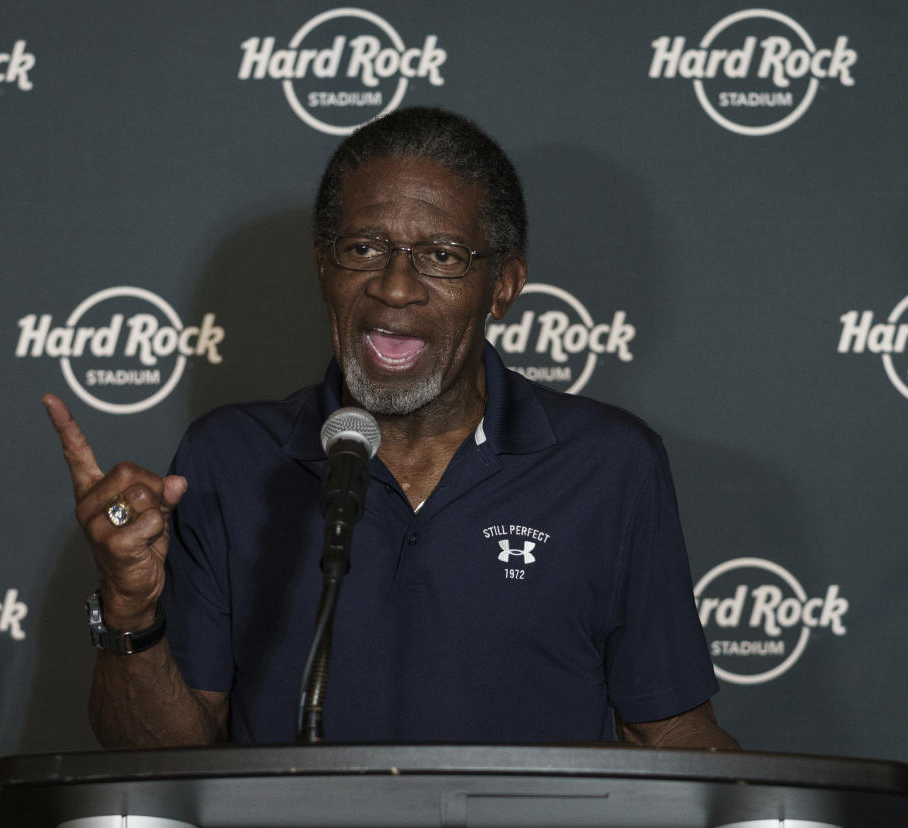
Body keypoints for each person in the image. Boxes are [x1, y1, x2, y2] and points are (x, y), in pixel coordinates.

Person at [44, 107, 737, 750]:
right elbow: (165, 766)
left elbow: (669, 731)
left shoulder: (610, 466)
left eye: (442, 255)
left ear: (504, 285)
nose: (396, 286)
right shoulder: (225, 459)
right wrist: (130, 614)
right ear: (324, 268)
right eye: (364, 248)